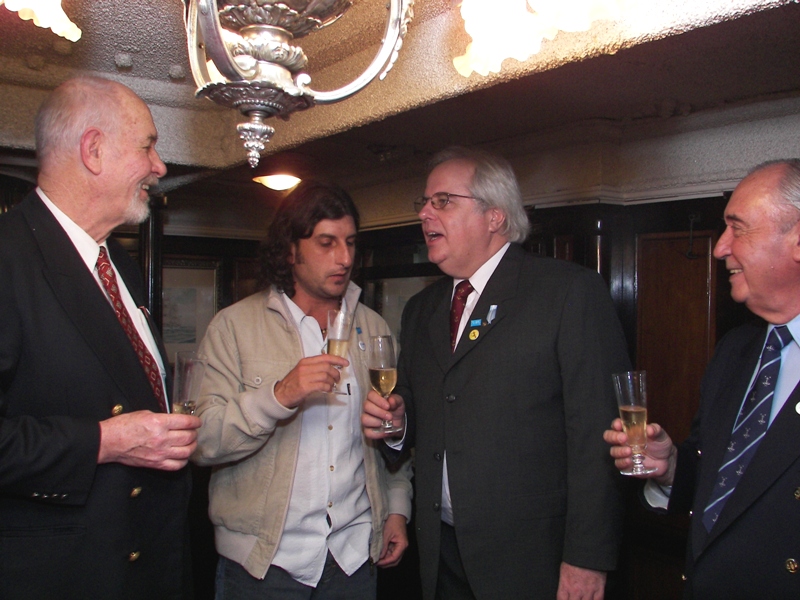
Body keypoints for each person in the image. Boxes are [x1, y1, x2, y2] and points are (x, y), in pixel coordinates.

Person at [362, 147, 631, 599]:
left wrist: (588, 557)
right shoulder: (421, 310)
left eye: (443, 201)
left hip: (534, 559)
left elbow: (598, 437)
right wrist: (395, 422)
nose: (425, 213)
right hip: (440, 554)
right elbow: (412, 409)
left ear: (495, 216)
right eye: (424, 202)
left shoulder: (567, 293)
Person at [0, 76, 201, 599]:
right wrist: (106, 442)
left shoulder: (120, 265)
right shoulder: (9, 256)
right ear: (93, 150)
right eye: (148, 146)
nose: (160, 167)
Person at [192, 181, 413, 598]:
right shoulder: (234, 327)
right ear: (290, 251)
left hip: (353, 559)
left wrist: (397, 509)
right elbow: (202, 441)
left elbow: (391, 440)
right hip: (263, 567)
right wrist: (278, 396)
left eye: (350, 243)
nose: (344, 258)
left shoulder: (374, 327)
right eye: (327, 243)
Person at [604, 159, 800, 599]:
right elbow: (724, 482)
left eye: (738, 229)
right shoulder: (736, 351)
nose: (719, 248)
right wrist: (670, 466)